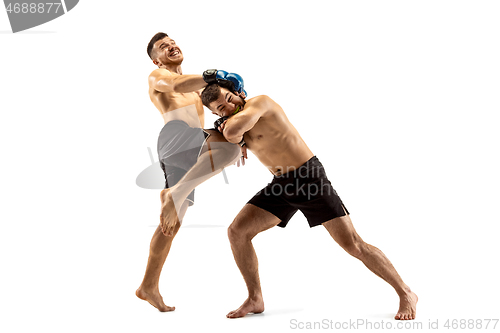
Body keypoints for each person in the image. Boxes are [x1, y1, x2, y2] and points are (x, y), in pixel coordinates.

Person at [198, 80, 418, 320]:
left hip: (308, 177)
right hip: (281, 184)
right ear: (214, 114)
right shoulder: (238, 124)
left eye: (229, 100)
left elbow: (230, 132)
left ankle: (406, 292)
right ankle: (255, 298)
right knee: (237, 231)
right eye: (220, 109)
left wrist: (228, 130)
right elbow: (219, 141)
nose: (228, 108)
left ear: (239, 93)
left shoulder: (260, 102)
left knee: (353, 244)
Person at [135, 33, 242, 312]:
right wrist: (213, 76)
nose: (171, 46)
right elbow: (177, 82)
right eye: (162, 46)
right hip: (176, 136)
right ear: (156, 58)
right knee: (230, 151)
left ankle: (148, 286)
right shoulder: (158, 75)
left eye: (172, 41)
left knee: (172, 223)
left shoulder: (197, 89)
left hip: (191, 148)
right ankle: (174, 194)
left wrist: (235, 132)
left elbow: (223, 111)